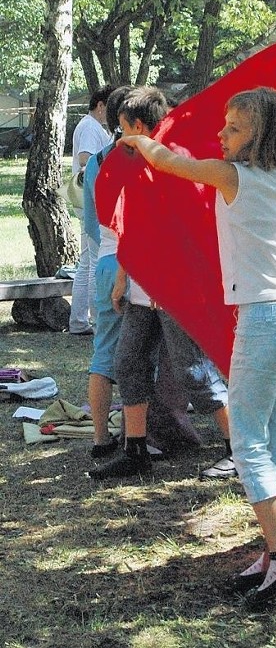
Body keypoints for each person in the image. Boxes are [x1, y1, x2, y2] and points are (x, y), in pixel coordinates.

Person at [110, 23, 276, 607]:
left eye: (233, 128)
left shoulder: (232, 176)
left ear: (257, 136)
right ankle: (273, 549)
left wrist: (138, 143)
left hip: (264, 323)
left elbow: (165, 160)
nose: (222, 132)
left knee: (251, 446)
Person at [88, 87, 234, 479]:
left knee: (195, 371)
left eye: (122, 130)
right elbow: (132, 228)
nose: (119, 139)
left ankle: (238, 448)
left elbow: (191, 231)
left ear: (137, 126)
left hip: (175, 290)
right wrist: (122, 276)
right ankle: (135, 450)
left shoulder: (177, 162)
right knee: (128, 362)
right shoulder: (137, 165)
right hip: (141, 288)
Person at [83, 85, 134, 456]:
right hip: (133, 262)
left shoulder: (95, 163)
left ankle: (101, 438)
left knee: (103, 354)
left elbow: (89, 222)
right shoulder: (142, 158)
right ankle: (140, 438)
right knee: (138, 358)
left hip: (104, 258)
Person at [69, 85, 115, 334]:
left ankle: (79, 320)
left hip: (88, 199)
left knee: (87, 261)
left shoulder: (94, 127)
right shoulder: (90, 127)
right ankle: (96, 320)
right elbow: (87, 159)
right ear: (100, 106)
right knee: (95, 259)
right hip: (90, 198)